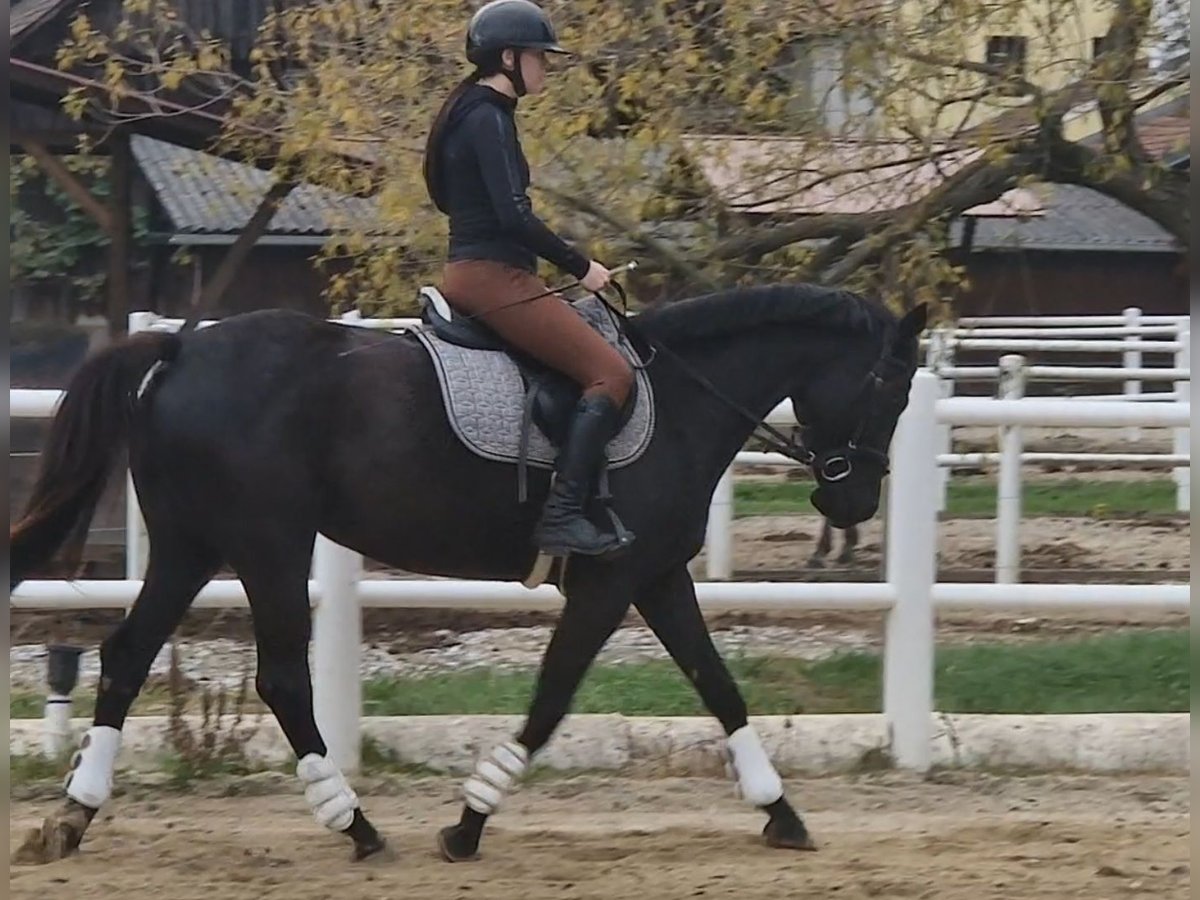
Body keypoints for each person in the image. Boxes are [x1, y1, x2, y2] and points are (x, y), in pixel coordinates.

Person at [422, 0, 636, 558]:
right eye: (541, 57)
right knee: (612, 374)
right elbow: (514, 216)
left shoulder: (473, 111)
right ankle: (562, 515)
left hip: (483, 269)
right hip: (493, 277)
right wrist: (581, 266)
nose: (547, 67)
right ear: (510, 57)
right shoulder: (487, 116)